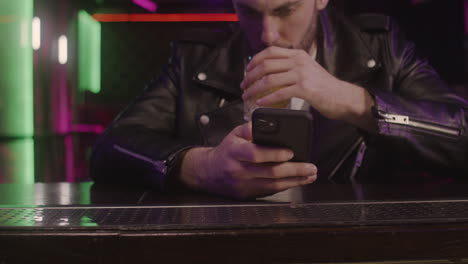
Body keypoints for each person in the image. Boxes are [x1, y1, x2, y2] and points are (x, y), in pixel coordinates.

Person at [91, 0, 468, 199]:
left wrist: (348, 98)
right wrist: (203, 168)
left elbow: (460, 134)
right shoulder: (197, 58)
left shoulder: (380, 46)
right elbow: (111, 148)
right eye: (250, 13)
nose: (268, 34)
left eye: (286, 9)